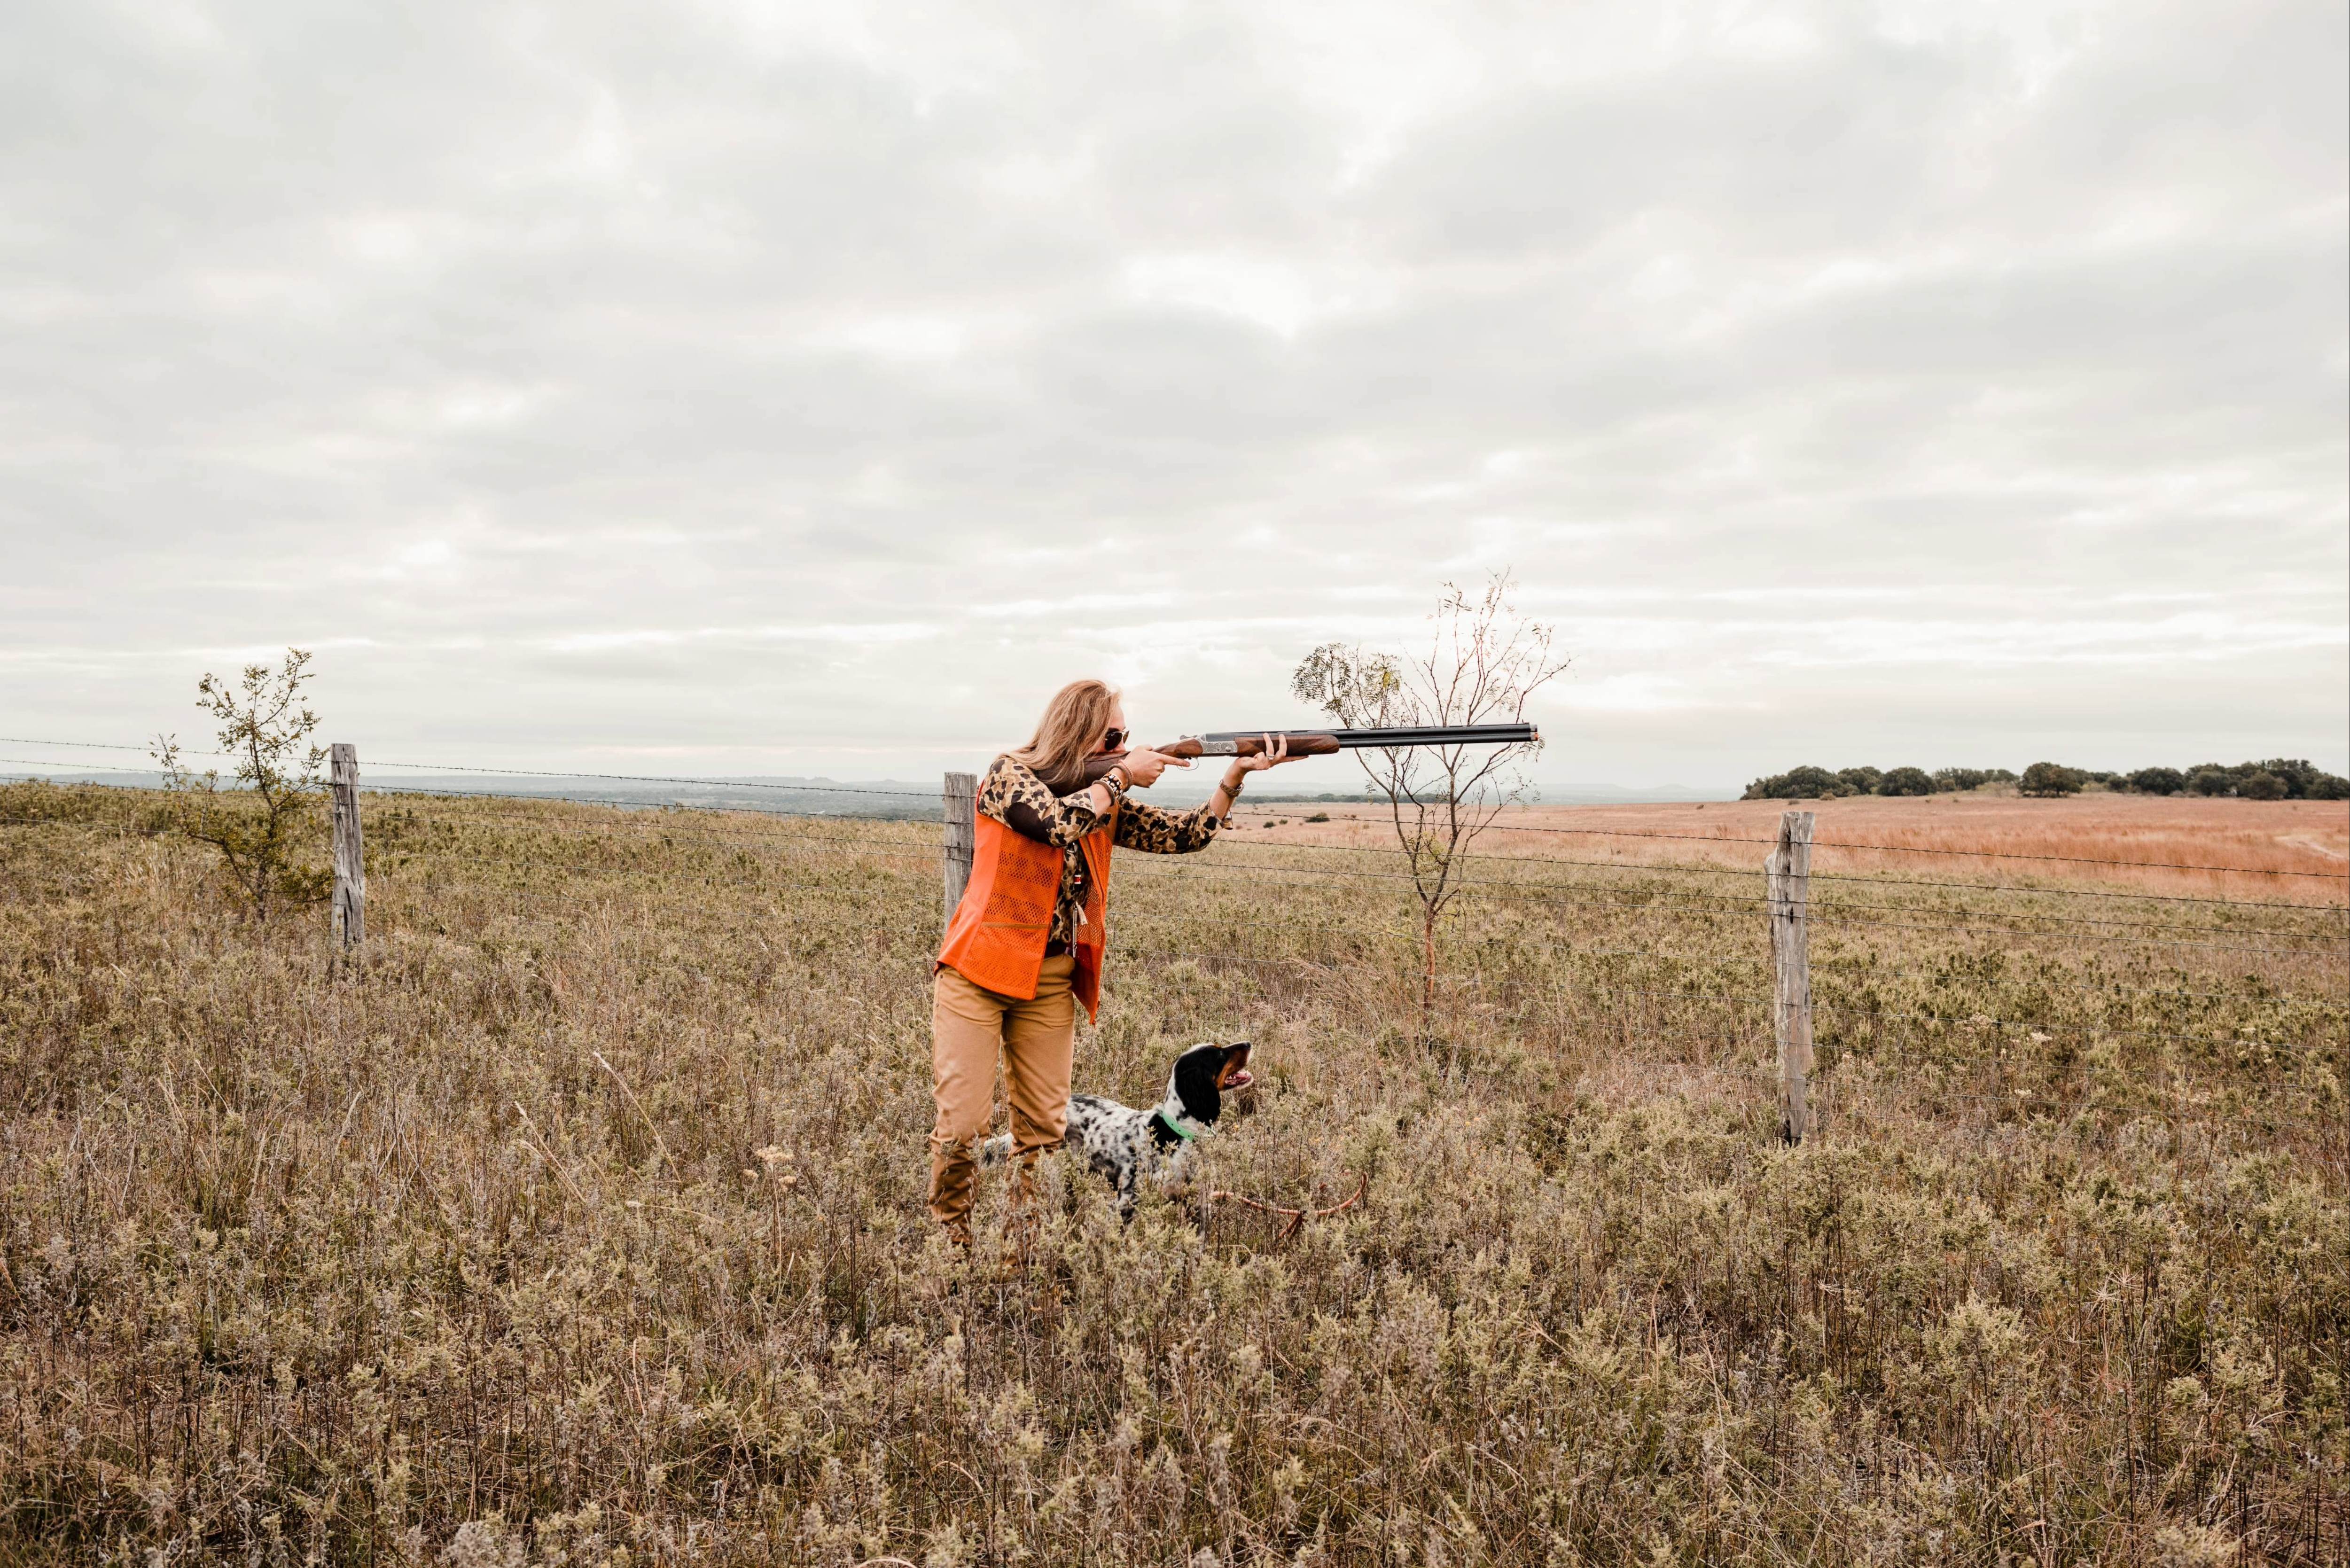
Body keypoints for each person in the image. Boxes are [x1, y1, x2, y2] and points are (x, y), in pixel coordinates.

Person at [929, 679, 1302, 1246]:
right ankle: (948, 1248)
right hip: (978, 973)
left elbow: (1184, 835)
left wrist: (1235, 776)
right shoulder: (1009, 775)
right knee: (962, 1130)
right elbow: (1054, 824)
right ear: (1076, 731)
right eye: (1114, 735)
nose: (1124, 743)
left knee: (1043, 1133)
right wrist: (1122, 775)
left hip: (1049, 980)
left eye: (1126, 737)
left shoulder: (1105, 800)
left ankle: (1019, 1256)